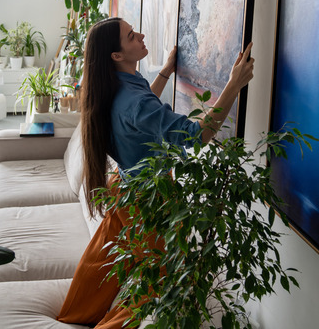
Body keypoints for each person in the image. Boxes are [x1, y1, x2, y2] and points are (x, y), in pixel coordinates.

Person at [56, 17, 254, 328]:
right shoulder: (132, 100)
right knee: (152, 284)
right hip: (148, 202)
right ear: (116, 56)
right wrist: (234, 83)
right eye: (132, 36)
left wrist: (165, 71)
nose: (142, 35)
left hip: (124, 187)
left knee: (102, 264)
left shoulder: (113, 84)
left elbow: (140, 112)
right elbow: (196, 135)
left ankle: (72, 317)